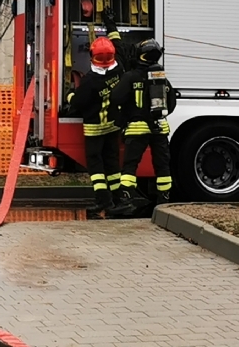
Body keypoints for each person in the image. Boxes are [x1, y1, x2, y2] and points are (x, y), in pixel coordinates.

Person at [110, 38, 177, 216]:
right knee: (163, 167)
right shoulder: (161, 79)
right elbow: (171, 104)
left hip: (137, 129)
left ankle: (125, 200)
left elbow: (115, 98)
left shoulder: (131, 76)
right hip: (160, 128)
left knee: (130, 167)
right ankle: (164, 202)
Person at [63, 35, 124, 214]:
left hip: (95, 130)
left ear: (92, 56)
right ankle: (118, 199)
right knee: (112, 164)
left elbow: (78, 104)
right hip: (112, 127)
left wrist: (69, 95)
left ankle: (102, 200)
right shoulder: (118, 71)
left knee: (96, 166)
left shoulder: (89, 81)